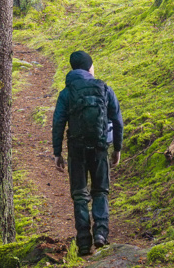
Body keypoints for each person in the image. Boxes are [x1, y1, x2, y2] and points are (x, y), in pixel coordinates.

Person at [52, 50, 124, 255]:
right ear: (89, 67)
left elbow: (58, 122)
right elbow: (117, 121)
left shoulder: (67, 93)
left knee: (80, 194)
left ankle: (83, 241)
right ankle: (101, 233)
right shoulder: (104, 88)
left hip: (76, 149)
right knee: (100, 190)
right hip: (100, 147)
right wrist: (117, 148)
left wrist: (57, 152)